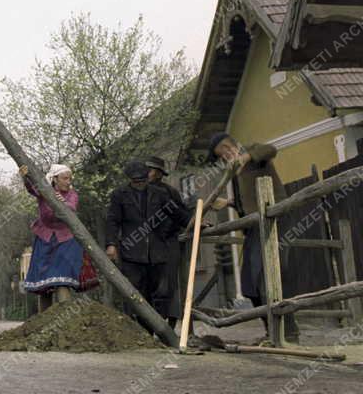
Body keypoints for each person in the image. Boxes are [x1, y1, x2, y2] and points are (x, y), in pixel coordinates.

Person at [207, 133, 299, 343]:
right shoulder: (233, 170)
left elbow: (271, 149)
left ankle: (289, 332)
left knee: (269, 277)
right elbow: (247, 199)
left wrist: (246, 156)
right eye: (220, 154)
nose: (225, 155)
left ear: (232, 144)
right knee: (249, 283)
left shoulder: (253, 150)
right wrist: (229, 203)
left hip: (273, 220)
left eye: (225, 149)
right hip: (253, 227)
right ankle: (271, 331)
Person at [106, 160, 189, 335]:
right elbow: (113, 221)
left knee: (159, 293)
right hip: (132, 252)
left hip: (157, 252)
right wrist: (111, 244)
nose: (140, 184)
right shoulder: (119, 195)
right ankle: (139, 332)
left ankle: (157, 331)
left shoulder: (160, 194)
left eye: (143, 180)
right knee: (136, 293)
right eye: (136, 181)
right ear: (130, 180)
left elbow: (177, 213)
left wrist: (193, 221)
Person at [19, 163, 83, 310]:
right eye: (65, 178)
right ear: (55, 179)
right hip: (45, 239)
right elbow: (31, 189)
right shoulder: (45, 191)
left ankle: (63, 319)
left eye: (69, 179)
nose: (68, 182)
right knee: (44, 284)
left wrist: (63, 203)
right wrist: (25, 177)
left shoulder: (72, 195)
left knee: (62, 281)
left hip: (66, 240)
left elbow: (72, 207)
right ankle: (43, 321)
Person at [145, 155, 191, 329]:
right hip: (145, 245)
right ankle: (150, 327)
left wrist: (193, 223)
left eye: (149, 170)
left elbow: (182, 214)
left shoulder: (170, 192)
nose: (146, 173)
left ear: (158, 174)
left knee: (167, 284)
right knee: (148, 285)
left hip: (168, 241)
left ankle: (167, 328)